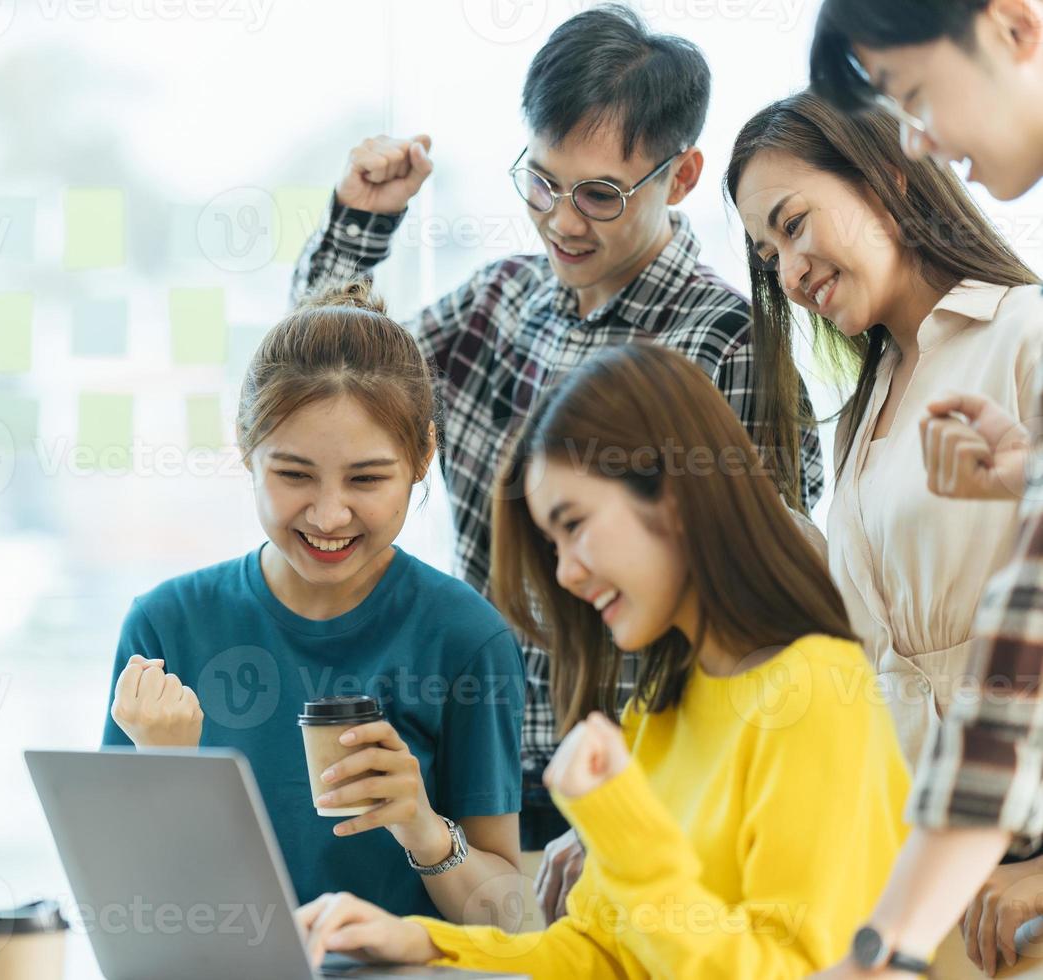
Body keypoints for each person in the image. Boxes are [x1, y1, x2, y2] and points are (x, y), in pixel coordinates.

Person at [292, 4, 824, 915]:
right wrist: (361, 223)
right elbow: (331, 380)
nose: (562, 221)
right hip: (470, 777)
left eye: (600, 195)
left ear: (682, 174)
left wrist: (629, 801)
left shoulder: (722, 344)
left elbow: (753, 623)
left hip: (626, 799)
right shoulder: (502, 301)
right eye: (542, 183)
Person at [292, 342, 910, 977]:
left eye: (575, 524)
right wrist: (425, 943)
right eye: (553, 543)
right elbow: (597, 952)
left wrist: (625, 829)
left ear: (675, 496)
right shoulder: (663, 708)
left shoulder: (815, 696)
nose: (566, 573)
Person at [101, 280, 526, 926]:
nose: (329, 515)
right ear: (246, 449)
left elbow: (511, 922)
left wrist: (423, 827)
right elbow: (120, 907)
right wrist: (171, 773)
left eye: (368, 478)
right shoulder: (164, 628)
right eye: (294, 475)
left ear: (423, 459)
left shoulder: (467, 640)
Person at [809, 3, 1043, 973]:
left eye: (909, 92)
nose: (917, 140)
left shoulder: (1019, 329)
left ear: (1014, 27)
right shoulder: (860, 411)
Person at [725, 91, 1043, 769]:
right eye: (767, 254)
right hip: (910, 825)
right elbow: (876, 647)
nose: (789, 273)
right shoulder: (866, 410)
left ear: (886, 178)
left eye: (794, 225)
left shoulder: (1023, 334)